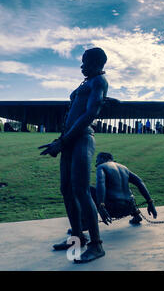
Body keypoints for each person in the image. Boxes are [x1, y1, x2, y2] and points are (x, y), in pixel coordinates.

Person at [39, 47, 109, 263]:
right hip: (70, 139)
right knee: (67, 190)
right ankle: (78, 237)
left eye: (85, 61)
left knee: (80, 190)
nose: (81, 66)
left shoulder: (98, 82)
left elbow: (90, 113)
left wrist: (64, 141)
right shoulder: (87, 83)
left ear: (97, 62)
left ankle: (97, 245)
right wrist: (60, 140)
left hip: (82, 138)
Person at [91, 152, 157, 226]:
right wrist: (150, 202)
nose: (96, 164)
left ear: (103, 158)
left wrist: (101, 205)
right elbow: (139, 182)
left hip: (113, 209)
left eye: (97, 161)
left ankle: (87, 221)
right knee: (125, 189)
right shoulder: (124, 168)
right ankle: (136, 215)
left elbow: (100, 183)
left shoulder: (102, 167)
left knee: (88, 190)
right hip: (129, 208)